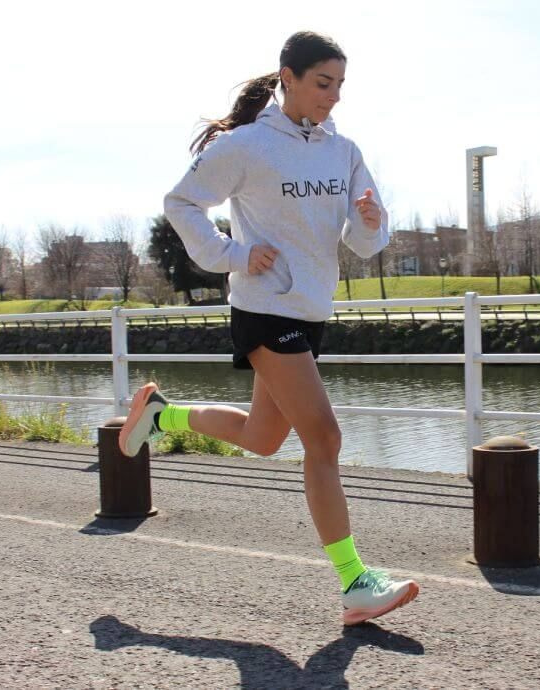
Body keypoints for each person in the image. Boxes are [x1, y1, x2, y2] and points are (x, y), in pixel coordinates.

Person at [118, 31, 418, 626]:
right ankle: (355, 581)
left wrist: (370, 221)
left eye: (339, 86)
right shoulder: (248, 145)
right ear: (289, 78)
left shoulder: (345, 151)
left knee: (263, 436)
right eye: (322, 83)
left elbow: (366, 244)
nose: (332, 97)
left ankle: (161, 415)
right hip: (265, 307)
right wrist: (232, 253)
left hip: (311, 310)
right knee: (324, 439)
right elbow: (181, 202)